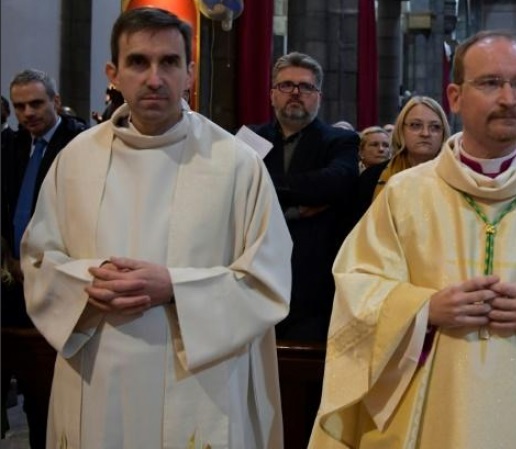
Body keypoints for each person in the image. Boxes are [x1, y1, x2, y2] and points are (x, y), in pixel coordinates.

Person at [309, 30, 516, 449]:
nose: (508, 97)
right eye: (489, 83)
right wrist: (424, 309)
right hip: (431, 415)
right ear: (455, 96)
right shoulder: (405, 194)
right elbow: (358, 291)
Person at [20, 8, 291, 448]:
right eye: (138, 62)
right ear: (114, 73)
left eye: (168, 62)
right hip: (97, 376)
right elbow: (37, 262)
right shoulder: (75, 160)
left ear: (190, 73)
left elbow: (269, 280)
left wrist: (173, 287)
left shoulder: (235, 165)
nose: (154, 78)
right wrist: (90, 283)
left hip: (199, 384)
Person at [1, 69, 87, 449]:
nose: (28, 113)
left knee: (44, 392)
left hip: (56, 279)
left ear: (55, 101)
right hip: (11, 278)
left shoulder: (81, 144)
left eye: (36, 103)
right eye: (20, 106)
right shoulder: (13, 145)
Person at [251, 51, 359, 343]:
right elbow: (235, 192)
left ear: (318, 96)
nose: (296, 93)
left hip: (314, 284)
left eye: (306, 87)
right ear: (273, 94)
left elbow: (335, 184)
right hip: (256, 276)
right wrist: (298, 206)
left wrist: (267, 187)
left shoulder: (340, 141)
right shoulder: (250, 140)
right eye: (286, 85)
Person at [355, 96, 450, 218]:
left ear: (443, 134)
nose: (425, 133)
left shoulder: (458, 178)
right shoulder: (372, 178)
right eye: (416, 125)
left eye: (435, 127)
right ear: (401, 130)